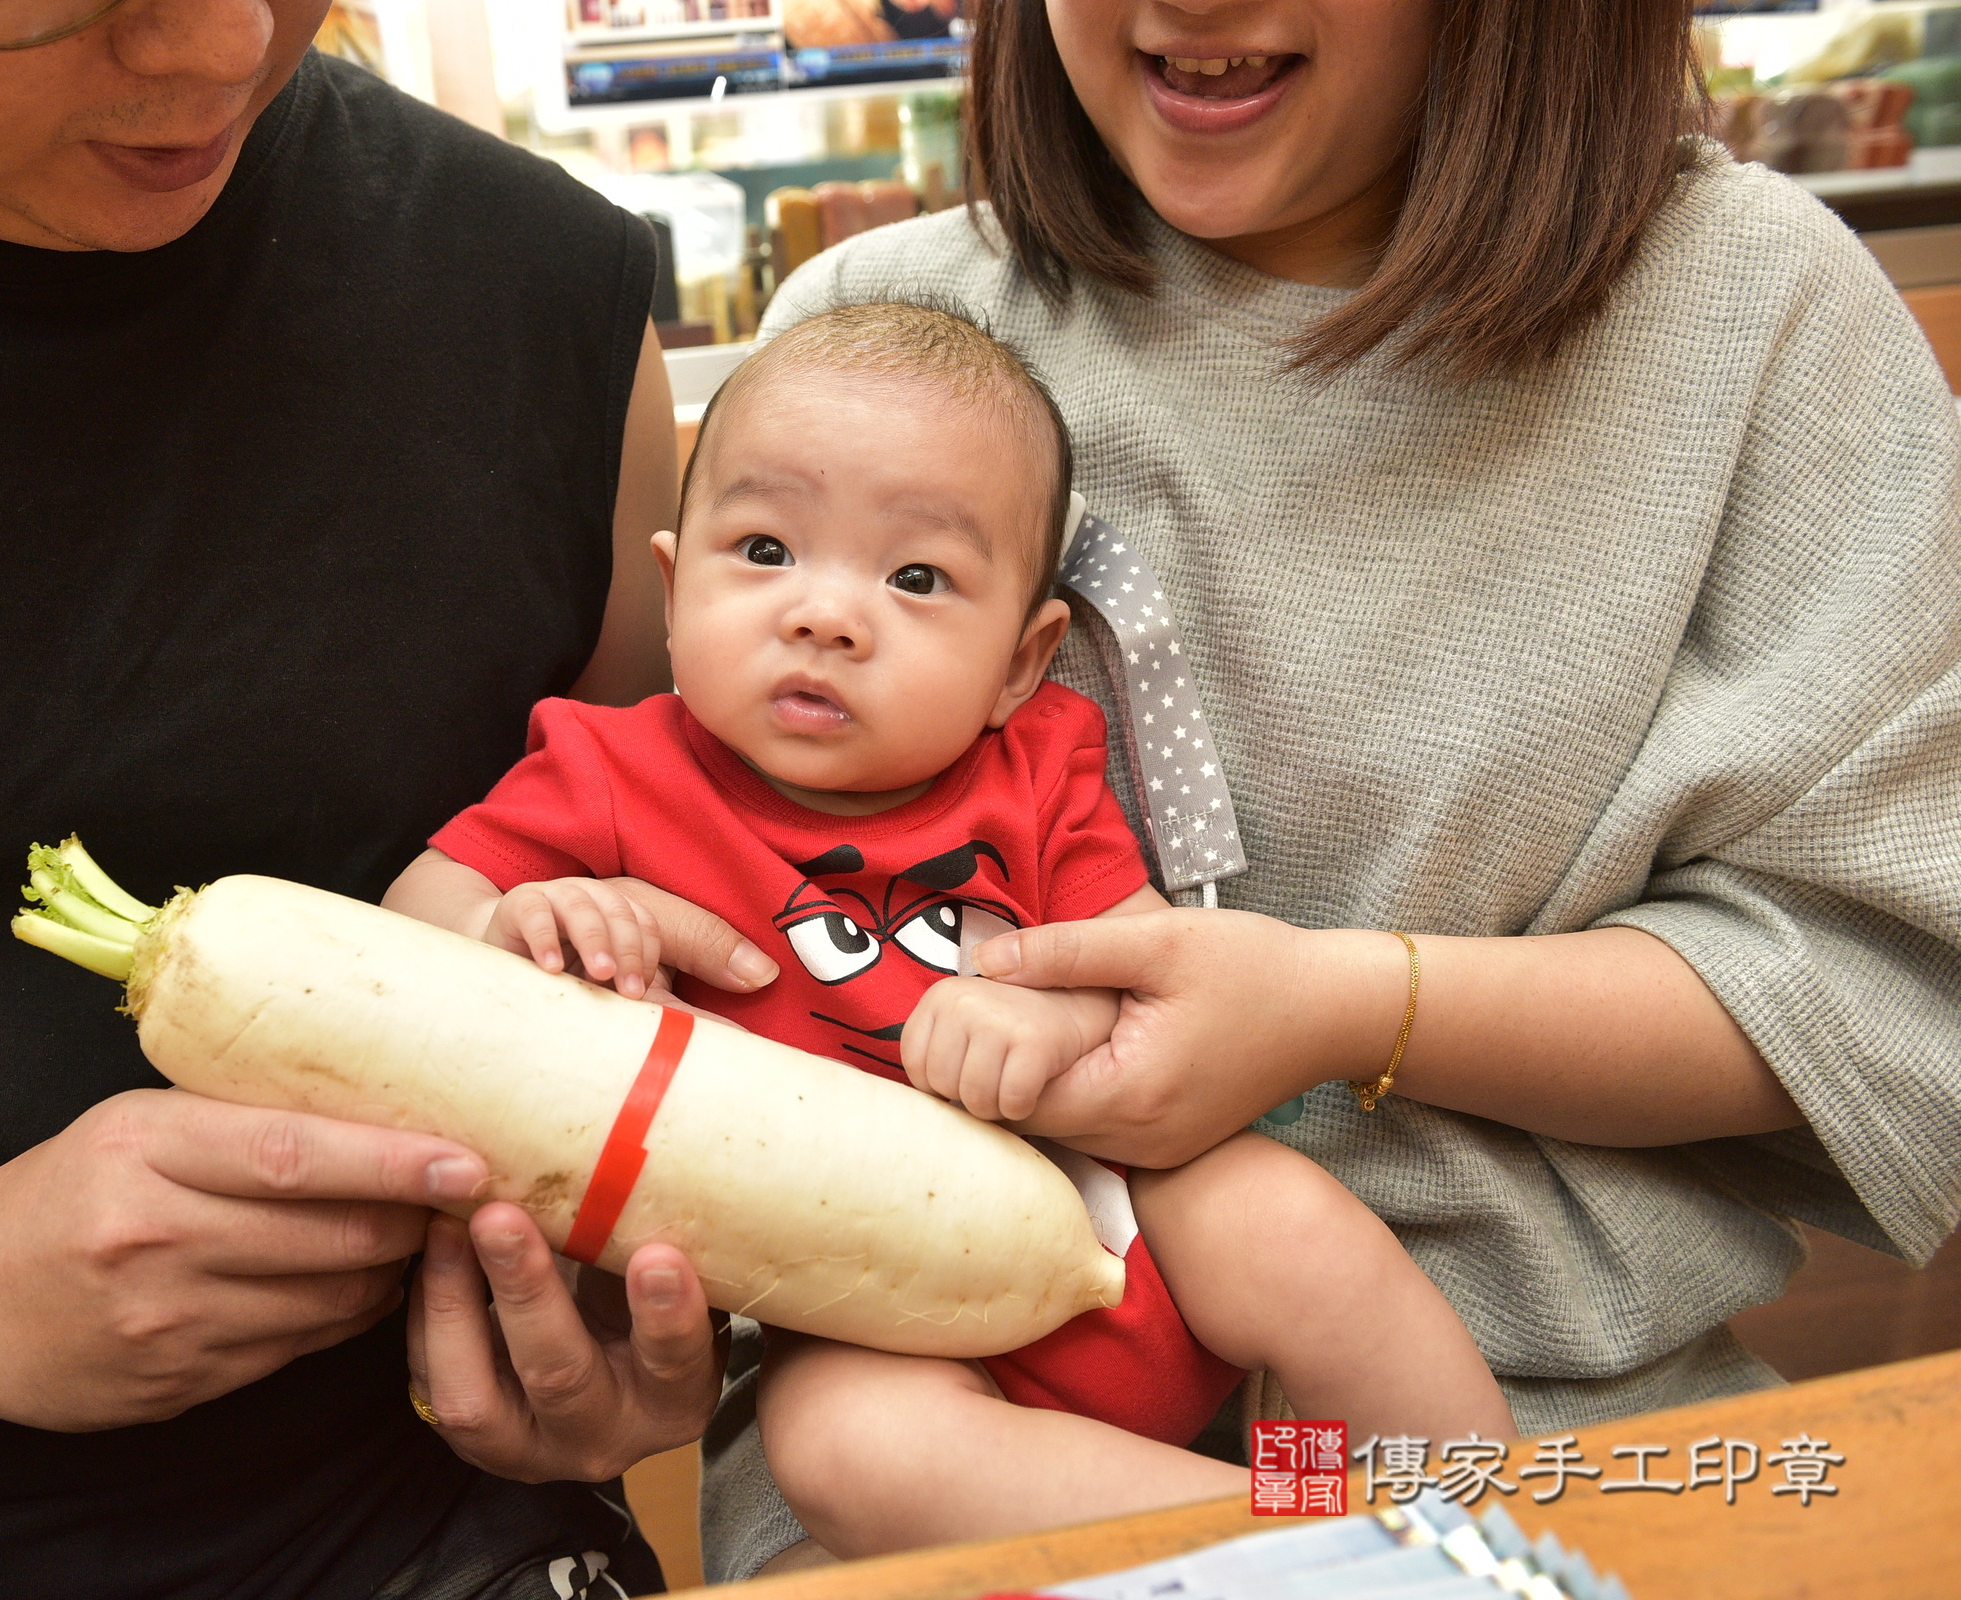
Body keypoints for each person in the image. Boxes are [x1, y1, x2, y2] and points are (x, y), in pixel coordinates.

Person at [700, 0, 1961, 1579]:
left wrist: (1347, 1007)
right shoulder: (876, 337)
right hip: (948, 1438)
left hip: (1524, 1431)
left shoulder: (1752, 310)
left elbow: (1876, 979)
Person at [0, 2, 749, 1594]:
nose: (217, 52)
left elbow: (659, 1026)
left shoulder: (542, 297)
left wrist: (614, 1324)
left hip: (425, 1536)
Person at [385, 301, 1515, 1558]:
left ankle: (1500, 1526)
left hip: (1126, 1213)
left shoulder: (1037, 765)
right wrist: (522, 917)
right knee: (842, 1444)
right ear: (670, 586)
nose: (823, 614)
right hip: (876, 1308)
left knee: (1293, 1223)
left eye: (915, 578)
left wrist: (1052, 1011)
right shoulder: (608, 770)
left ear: (1023, 662)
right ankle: (1323, 1549)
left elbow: (1153, 972)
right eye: (763, 549)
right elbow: (409, 927)